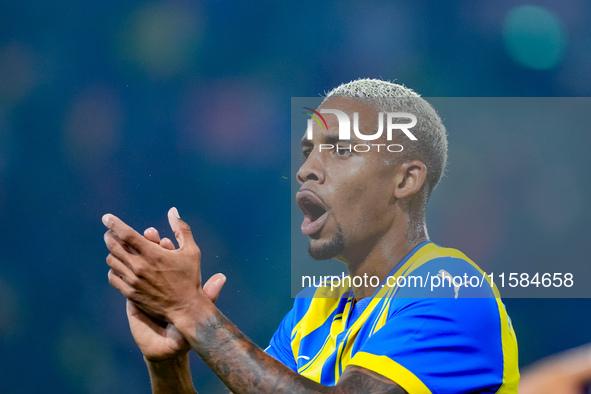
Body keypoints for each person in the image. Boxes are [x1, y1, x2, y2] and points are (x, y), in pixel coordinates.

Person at [102, 79, 519, 393]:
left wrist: (191, 310)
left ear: (405, 179)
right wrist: (168, 363)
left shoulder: (451, 287)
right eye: (308, 152)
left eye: (339, 149)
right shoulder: (314, 308)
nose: (306, 170)